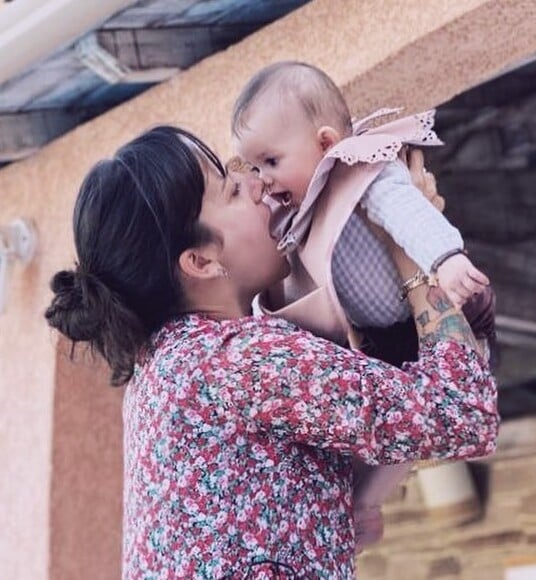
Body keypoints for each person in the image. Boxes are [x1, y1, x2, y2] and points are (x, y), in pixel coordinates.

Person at [45, 126, 499, 579]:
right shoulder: (237, 361)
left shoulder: (166, 372)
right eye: (231, 188)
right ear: (200, 261)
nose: (257, 183)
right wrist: (409, 247)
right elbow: (461, 413)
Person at [232, 61, 497, 544]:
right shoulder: (294, 214)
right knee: (393, 434)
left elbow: (409, 211)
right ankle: (364, 504)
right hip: (378, 341)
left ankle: (368, 502)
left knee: (420, 421)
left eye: (270, 162)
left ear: (326, 143)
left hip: (426, 318)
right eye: (252, 168)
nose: (262, 179)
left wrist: (447, 259)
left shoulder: (360, 170)